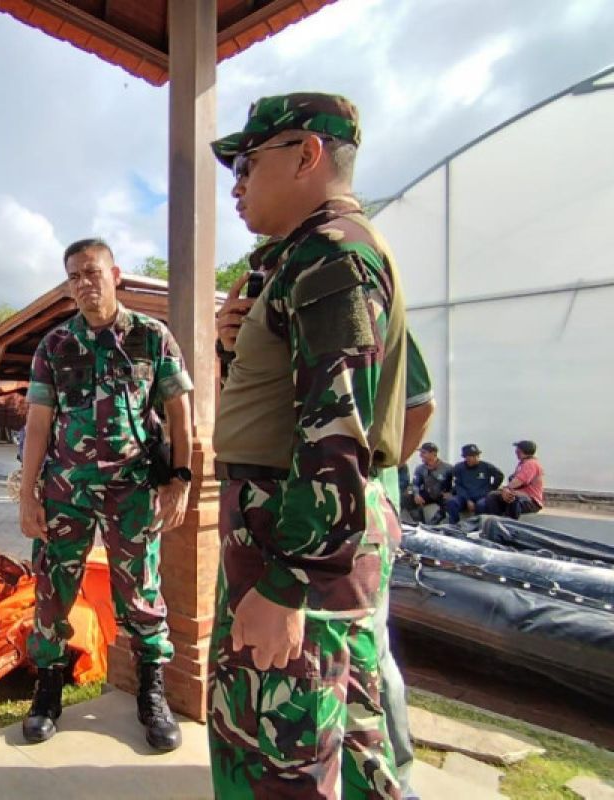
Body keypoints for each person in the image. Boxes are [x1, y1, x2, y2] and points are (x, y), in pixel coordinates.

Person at [208, 93, 406, 799]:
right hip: (311, 537)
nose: (236, 182)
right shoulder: (310, 256)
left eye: (248, 162)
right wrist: (241, 347)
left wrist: (288, 580)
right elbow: (372, 403)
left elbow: (337, 428)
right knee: (348, 745)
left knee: (280, 755)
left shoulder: (331, 257)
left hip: (293, 540)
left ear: (306, 155)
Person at [19, 237, 194, 752]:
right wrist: (28, 495)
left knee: (140, 592)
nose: (83, 284)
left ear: (114, 273)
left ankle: (152, 693)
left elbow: (180, 411)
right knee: (53, 591)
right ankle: (47, 692)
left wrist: (180, 479)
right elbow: (37, 422)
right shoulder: (55, 345)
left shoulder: (151, 337)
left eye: (91, 272)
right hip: (65, 490)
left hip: (133, 489)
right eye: (73, 276)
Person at [479, 440, 545, 519]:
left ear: (520, 451)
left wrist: (506, 488)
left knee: (512, 498)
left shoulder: (531, 464)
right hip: (522, 496)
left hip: (531, 501)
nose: (516, 451)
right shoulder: (523, 463)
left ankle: (510, 524)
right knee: (492, 496)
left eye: (517, 449)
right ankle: (497, 521)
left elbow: (519, 480)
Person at [445, 445, 503, 524]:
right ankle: (454, 526)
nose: (473, 458)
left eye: (475, 456)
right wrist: (467, 499)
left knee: (481, 505)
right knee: (452, 502)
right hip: (465, 496)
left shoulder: (486, 466)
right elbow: (458, 485)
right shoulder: (459, 467)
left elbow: (499, 475)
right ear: (465, 457)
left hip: (481, 496)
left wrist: (492, 488)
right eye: (470, 456)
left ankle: (479, 527)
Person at [404, 442, 452, 524]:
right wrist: (416, 494)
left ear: (433, 454)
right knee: (408, 497)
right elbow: (415, 484)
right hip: (428, 494)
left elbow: (455, 483)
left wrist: (451, 493)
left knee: (450, 502)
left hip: (441, 495)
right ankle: (419, 522)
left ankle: (434, 523)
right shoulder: (420, 468)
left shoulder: (447, 468)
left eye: (424, 453)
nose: (421, 455)